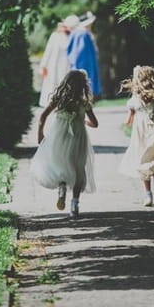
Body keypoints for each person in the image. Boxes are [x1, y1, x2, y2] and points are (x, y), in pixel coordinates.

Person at [30, 69, 99, 218]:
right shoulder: (84, 103)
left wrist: (40, 134)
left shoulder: (59, 100)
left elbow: (42, 116)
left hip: (59, 136)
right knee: (78, 169)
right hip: (78, 138)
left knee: (60, 164)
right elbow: (95, 123)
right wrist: (84, 121)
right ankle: (74, 205)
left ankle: (61, 187)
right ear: (83, 86)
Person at [118, 66, 154, 207]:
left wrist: (129, 117)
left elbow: (128, 120)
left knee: (142, 159)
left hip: (140, 131)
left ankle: (148, 195)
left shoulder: (135, 97)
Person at [67, 11, 101, 97]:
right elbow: (80, 52)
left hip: (81, 63)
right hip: (84, 64)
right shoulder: (82, 34)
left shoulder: (77, 33)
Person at [39, 22, 71, 107]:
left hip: (65, 65)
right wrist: (43, 65)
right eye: (61, 26)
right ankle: (50, 103)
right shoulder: (54, 36)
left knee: (63, 84)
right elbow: (48, 51)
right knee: (52, 84)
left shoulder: (69, 36)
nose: (63, 28)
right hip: (53, 65)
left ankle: (63, 102)